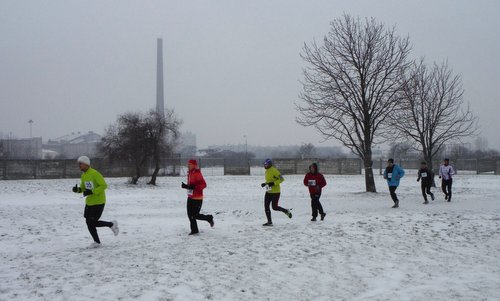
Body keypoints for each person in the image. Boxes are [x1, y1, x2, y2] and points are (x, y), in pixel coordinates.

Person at [72, 156, 118, 248]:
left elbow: (104, 185)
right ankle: (97, 242)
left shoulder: (95, 173)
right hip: (89, 202)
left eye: (80, 164)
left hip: (98, 202)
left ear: (86, 164)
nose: (79, 166)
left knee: (92, 222)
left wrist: (92, 191)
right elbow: (83, 188)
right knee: (89, 223)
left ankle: (111, 224)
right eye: (78, 164)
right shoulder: (84, 175)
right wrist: (77, 190)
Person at [181, 159, 214, 235]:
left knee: (195, 215)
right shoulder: (189, 173)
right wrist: (186, 186)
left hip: (197, 198)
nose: (188, 166)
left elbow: (204, 185)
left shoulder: (197, 174)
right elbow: (191, 186)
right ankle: (194, 230)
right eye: (188, 164)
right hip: (190, 196)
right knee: (190, 215)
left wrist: (194, 187)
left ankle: (209, 218)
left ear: (194, 165)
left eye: (190, 164)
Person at [261, 159, 292, 226]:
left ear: (269, 164)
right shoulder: (266, 171)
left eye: (266, 164)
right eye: (264, 164)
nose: (265, 165)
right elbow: (269, 181)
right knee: (266, 206)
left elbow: (281, 179)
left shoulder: (274, 170)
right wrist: (265, 184)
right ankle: (269, 221)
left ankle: (286, 211)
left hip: (276, 192)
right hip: (268, 191)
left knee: (274, 207)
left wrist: (274, 183)